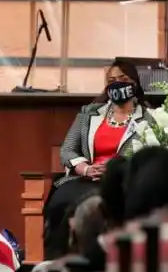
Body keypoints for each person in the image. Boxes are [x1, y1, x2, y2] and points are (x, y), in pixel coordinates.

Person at [42, 58, 154, 260]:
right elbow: (67, 150)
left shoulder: (149, 117)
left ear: (135, 83)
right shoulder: (89, 114)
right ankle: (56, 260)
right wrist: (85, 168)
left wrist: (114, 168)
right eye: (111, 80)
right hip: (84, 178)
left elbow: (147, 155)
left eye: (123, 78)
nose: (117, 83)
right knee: (62, 200)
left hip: (121, 181)